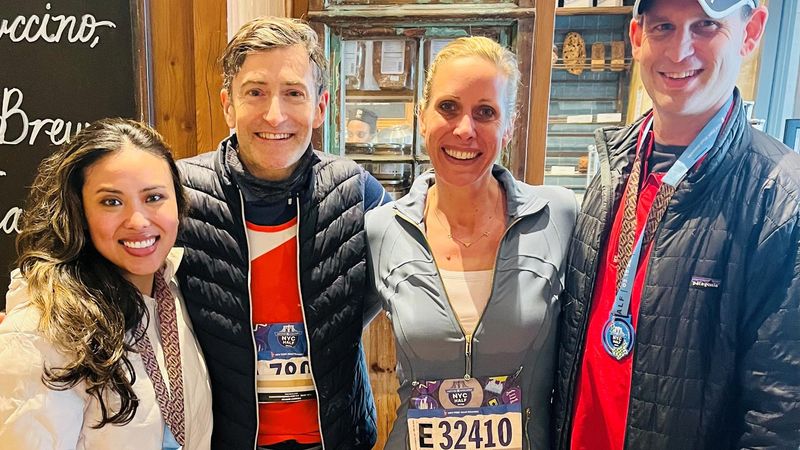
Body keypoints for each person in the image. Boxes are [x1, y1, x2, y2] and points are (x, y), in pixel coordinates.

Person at [553, 0, 800, 449]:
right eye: (663, 26)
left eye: (706, 26)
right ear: (636, 38)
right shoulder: (612, 172)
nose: (680, 50)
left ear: (751, 31)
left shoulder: (781, 200)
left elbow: (780, 417)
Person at [175, 16, 388, 450]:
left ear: (320, 106)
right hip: (223, 440)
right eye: (255, 92)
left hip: (337, 438)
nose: (275, 114)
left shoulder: (356, 191)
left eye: (294, 93)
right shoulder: (180, 195)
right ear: (227, 105)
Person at [366, 36, 578, 450]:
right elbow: (333, 341)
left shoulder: (559, 216)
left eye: (485, 112)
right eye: (448, 107)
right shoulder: (383, 229)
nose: (465, 129)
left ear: (510, 126)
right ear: (422, 118)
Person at [0, 119, 212, 449]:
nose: (139, 221)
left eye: (154, 197)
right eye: (111, 202)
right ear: (79, 211)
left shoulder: (175, 292)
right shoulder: (40, 326)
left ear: (179, 203)